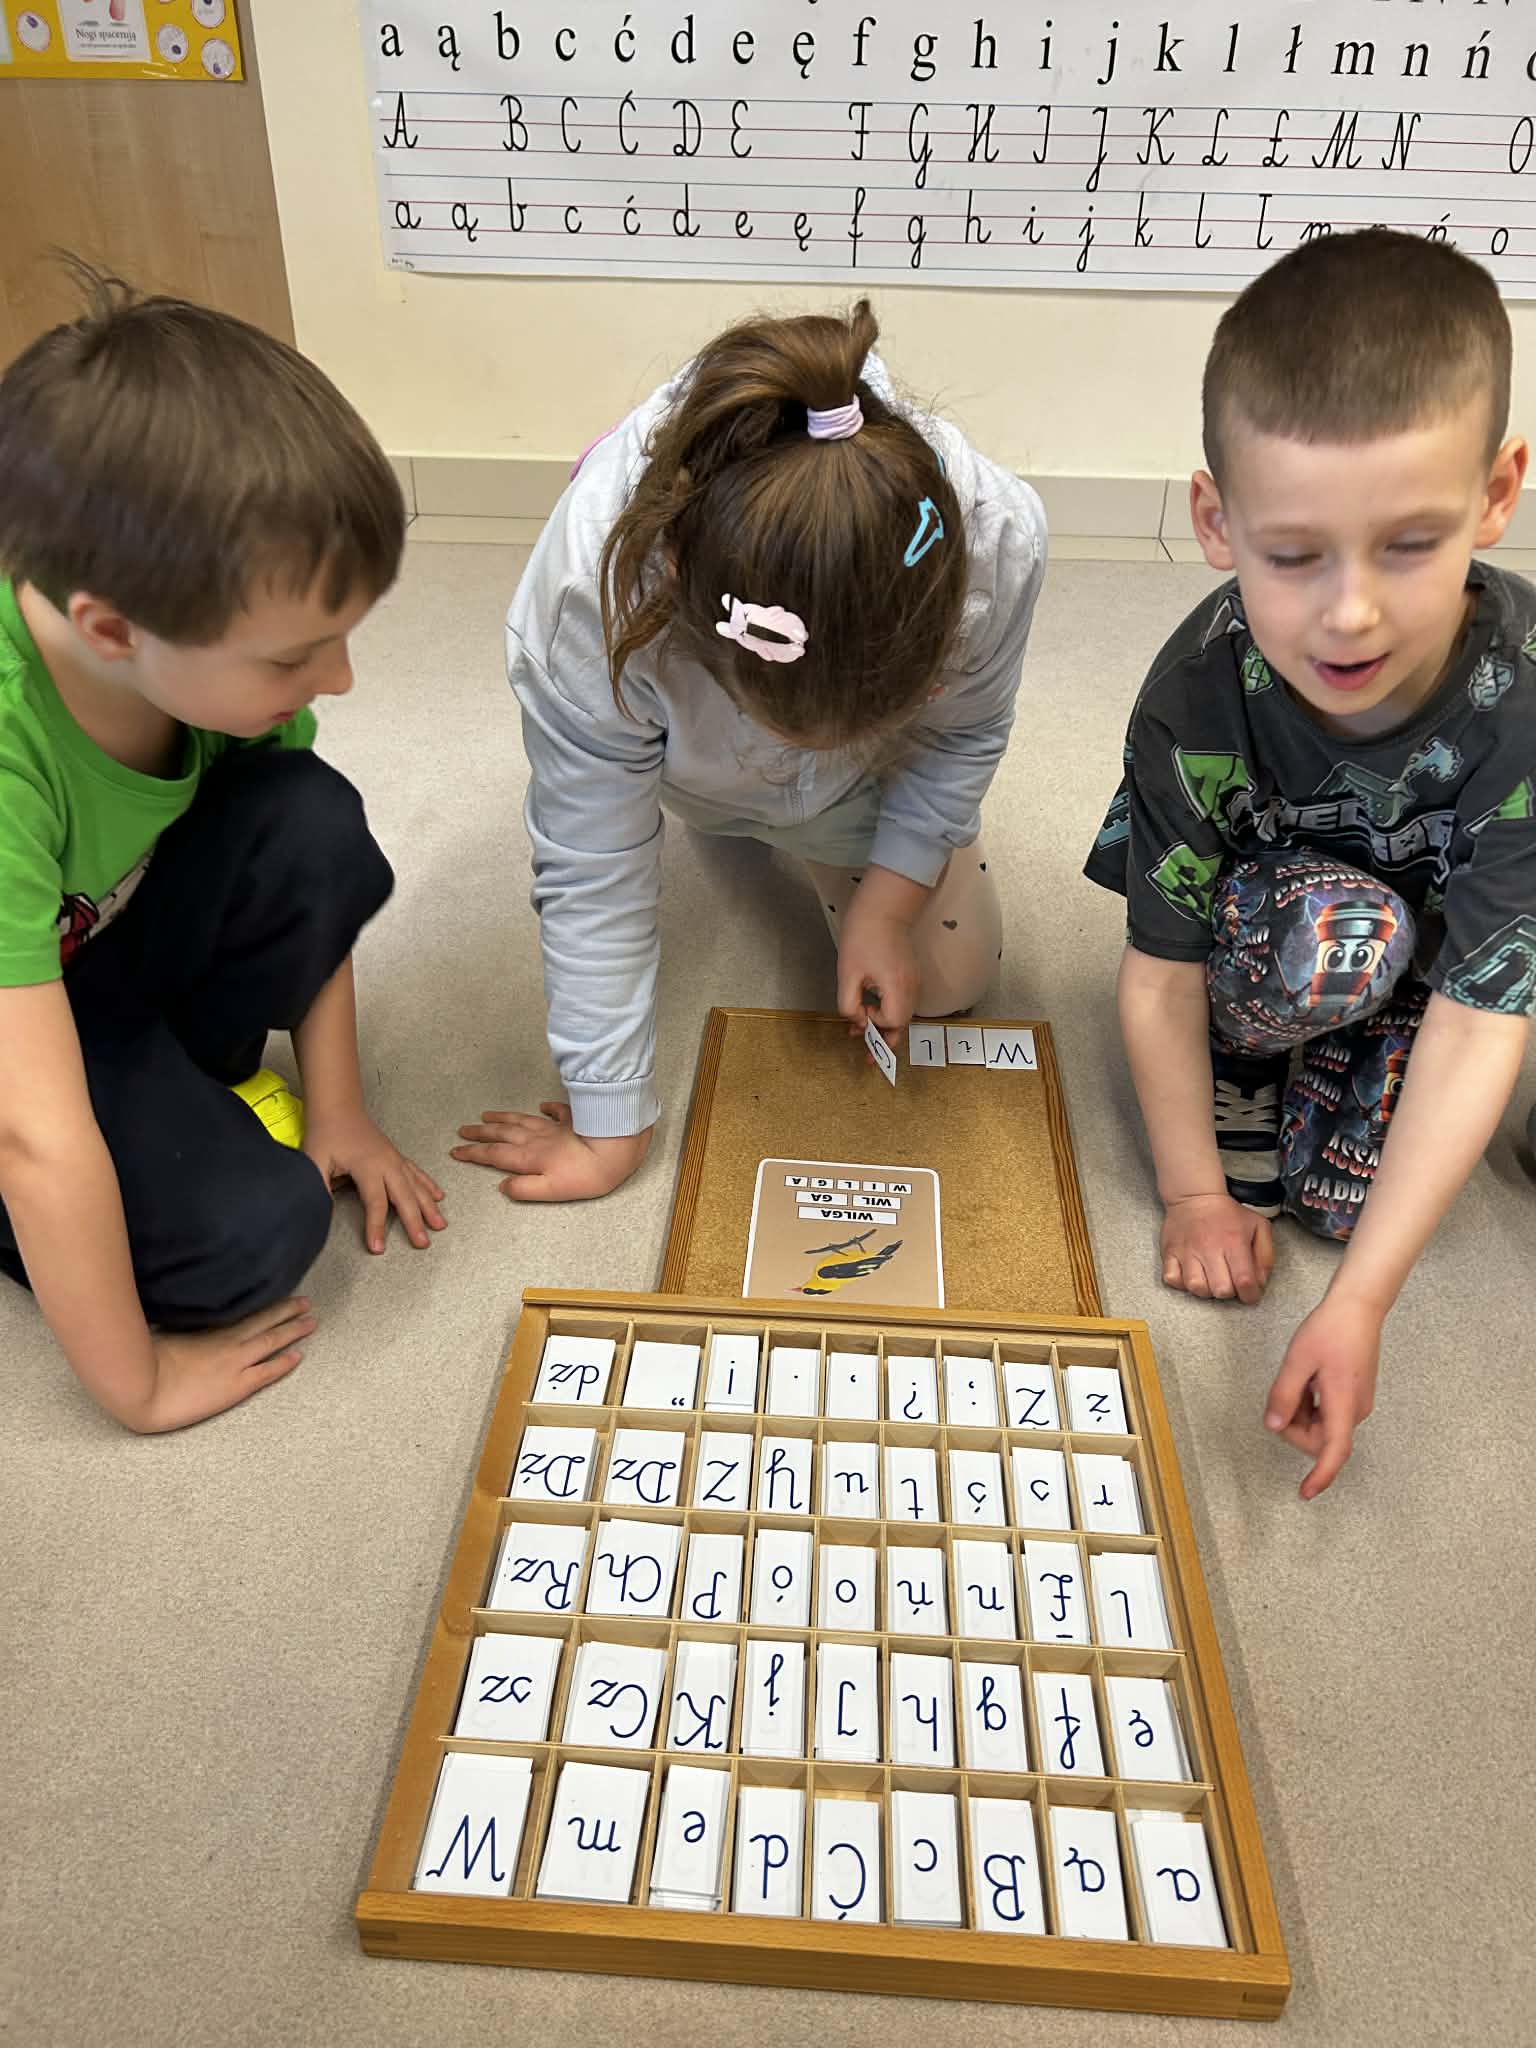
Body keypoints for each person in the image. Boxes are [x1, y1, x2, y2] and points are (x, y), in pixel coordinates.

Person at [1085, 228, 1534, 1499]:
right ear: (1215, 522)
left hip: (1430, 969)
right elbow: (1159, 969)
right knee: (1347, 939)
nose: (1349, 613)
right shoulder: (1193, 693)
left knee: (1346, 1215)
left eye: (1410, 543)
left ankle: (1351, 1045)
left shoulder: (1521, 703)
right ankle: (1260, 1057)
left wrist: (1361, 1300)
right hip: (1281, 938)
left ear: (1498, 493)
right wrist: (1190, 1195)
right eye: (1293, 556)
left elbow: (1484, 1016)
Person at [453, 300, 1046, 1202]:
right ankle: (726, 806)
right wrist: (609, 1116)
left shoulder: (997, 541)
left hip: (849, 784)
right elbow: (592, 865)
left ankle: (815, 809)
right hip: (689, 761)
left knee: (951, 983)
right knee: (672, 805)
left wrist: (886, 910)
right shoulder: (585, 598)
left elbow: (965, 731)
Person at [0, 271, 445, 1433]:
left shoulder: (178, 648)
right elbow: (32, 1135)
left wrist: (339, 1107)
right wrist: (137, 1385)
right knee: (252, 1235)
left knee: (311, 817)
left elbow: (304, 854)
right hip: (15, 1038)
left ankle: (164, 1084)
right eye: (295, 655)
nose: (339, 678)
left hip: (93, 948)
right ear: (110, 629)